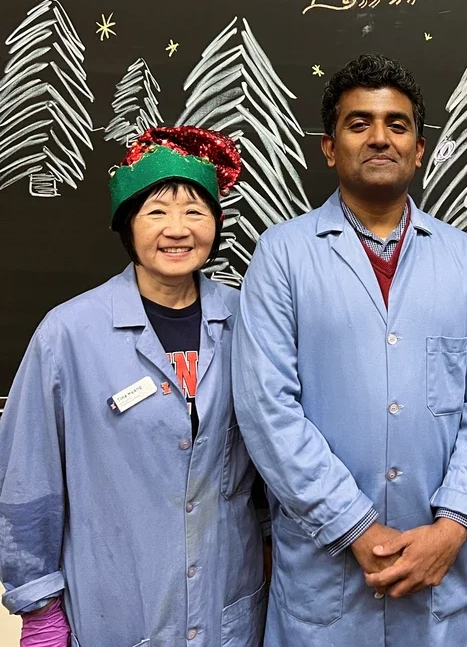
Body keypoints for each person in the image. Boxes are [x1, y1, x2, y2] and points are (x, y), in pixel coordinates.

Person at [232, 52, 467, 646]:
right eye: (359, 124)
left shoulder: (463, 258)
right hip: (326, 575)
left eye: (397, 124)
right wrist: (353, 527)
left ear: (420, 148)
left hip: (440, 566)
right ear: (330, 147)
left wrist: (454, 525)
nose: (379, 137)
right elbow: (267, 410)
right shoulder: (282, 256)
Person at [0, 127, 267, 646]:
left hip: (227, 607)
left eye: (195, 211)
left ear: (216, 223)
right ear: (128, 225)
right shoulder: (69, 334)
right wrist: (38, 608)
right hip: (116, 608)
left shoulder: (248, 322)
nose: (177, 229)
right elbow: (26, 479)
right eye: (156, 212)